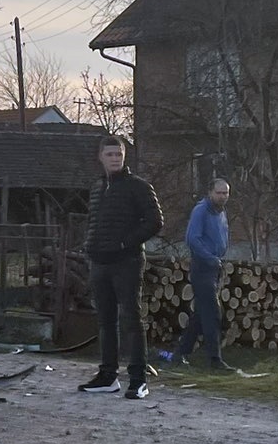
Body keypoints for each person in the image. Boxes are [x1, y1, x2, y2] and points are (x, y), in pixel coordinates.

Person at [78, 135, 164, 400]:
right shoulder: (96, 188)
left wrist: (126, 242)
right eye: (110, 154)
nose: (114, 159)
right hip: (99, 262)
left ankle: (138, 380)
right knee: (105, 321)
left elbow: (155, 221)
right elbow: (94, 221)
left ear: (124, 157)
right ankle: (108, 376)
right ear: (100, 157)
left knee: (131, 319)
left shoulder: (138, 186)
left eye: (119, 154)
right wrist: (89, 246)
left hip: (127, 262)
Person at [175, 179, 235, 370]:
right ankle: (214, 360)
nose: (223, 196)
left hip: (215, 266)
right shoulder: (201, 210)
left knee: (201, 314)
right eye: (219, 193)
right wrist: (210, 258)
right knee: (212, 313)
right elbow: (192, 239)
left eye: (226, 193)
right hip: (203, 266)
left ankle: (179, 354)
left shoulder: (221, 211)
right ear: (210, 192)